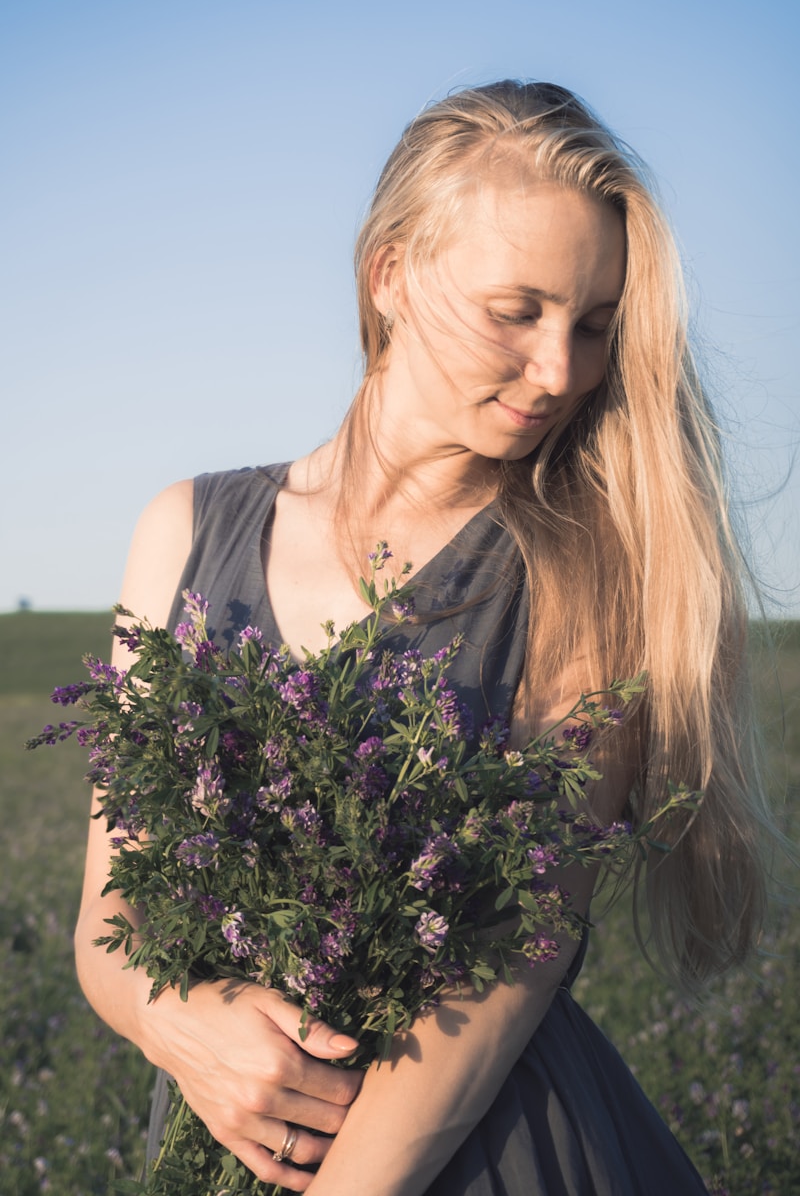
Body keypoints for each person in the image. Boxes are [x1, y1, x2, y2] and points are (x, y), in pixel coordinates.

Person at [75, 81, 771, 1195]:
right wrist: (184, 1027)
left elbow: (504, 965)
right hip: (223, 1136)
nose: (558, 370)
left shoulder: (590, 568)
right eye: (518, 310)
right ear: (388, 274)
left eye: (593, 327)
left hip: (480, 1150)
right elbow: (110, 914)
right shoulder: (183, 530)